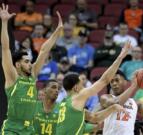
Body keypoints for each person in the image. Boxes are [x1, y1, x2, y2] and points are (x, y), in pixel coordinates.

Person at [0, 4, 63, 134]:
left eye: (30, 61)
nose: (30, 64)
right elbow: (6, 48)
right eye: (27, 62)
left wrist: (57, 32)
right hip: (12, 128)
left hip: (29, 129)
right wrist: (4, 22)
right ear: (18, 65)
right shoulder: (12, 76)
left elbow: (44, 50)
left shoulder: (33, 74)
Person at [55, 41, 132, 134]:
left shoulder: (64, 104)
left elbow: (94, 117)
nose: (84, 87)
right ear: (75, 88)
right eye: (82, 85)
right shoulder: (78, 96)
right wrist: (120, 57)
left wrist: (113, 108)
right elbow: (104, 80)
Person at [99, 70, 143, 135]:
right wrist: (133, 86)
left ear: (125, 82)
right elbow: (117, 103)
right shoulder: (105, 98)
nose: (114, 83)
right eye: (112, 81)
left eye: (117, 80)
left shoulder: (134, 103)